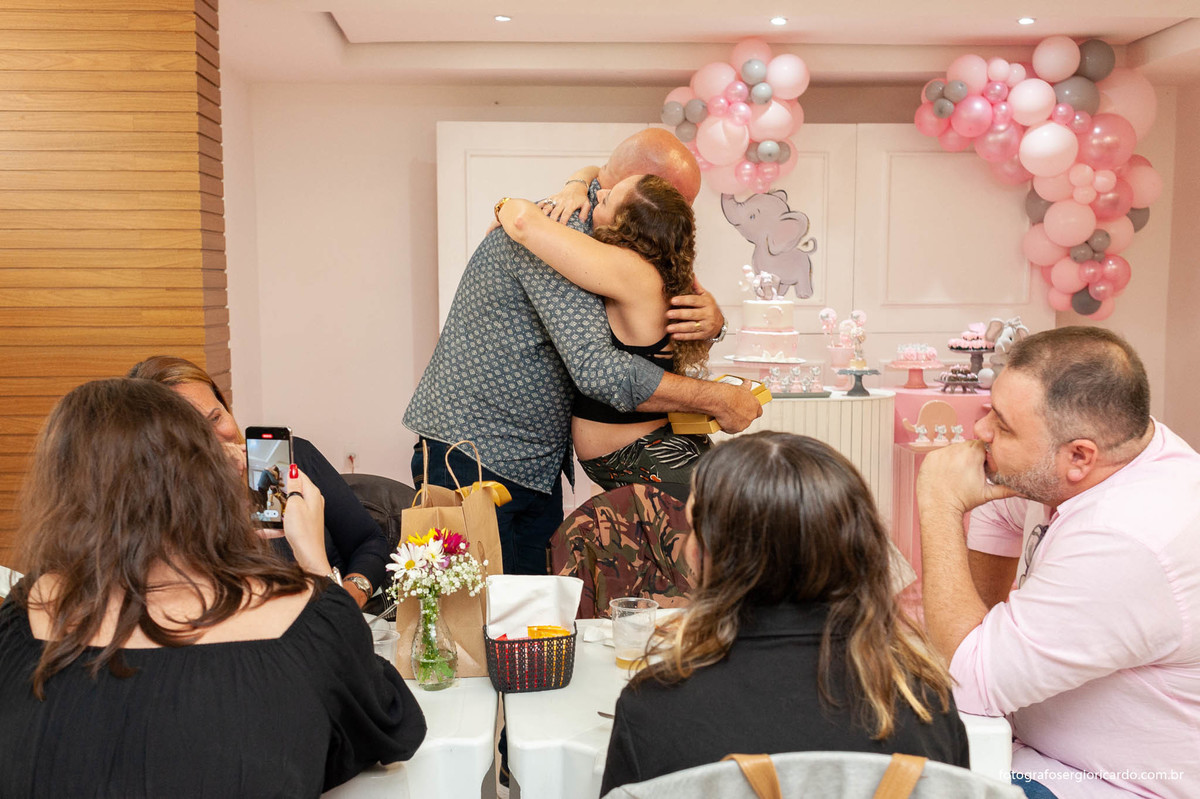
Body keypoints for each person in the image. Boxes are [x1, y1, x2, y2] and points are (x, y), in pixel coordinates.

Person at [0, 378, 425, 797]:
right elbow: (388, 725)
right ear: (194, 475)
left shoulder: (18, 619)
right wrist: (314, 567)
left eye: (217, 416)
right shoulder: (303, 625)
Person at [404, 128, 761, 576]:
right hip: (475, 452)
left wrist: (715, 321)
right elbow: (601, 371)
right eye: (670, 198)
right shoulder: (560, 234)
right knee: (483, 619)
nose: (674, 215)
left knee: (534, 617)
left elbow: (655, 316)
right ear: (633, 189)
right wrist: (716, 397)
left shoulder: (612, 239)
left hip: (529, 460)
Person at [916, 326, 1200, 799]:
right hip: (1036, 751)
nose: (980, 431)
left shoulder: (1128, 538)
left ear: (1079, 456)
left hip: (1105, 783)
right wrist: (978, 641)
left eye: (1003, 426)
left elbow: (966, 681)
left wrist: (938, 503)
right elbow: (998, 513)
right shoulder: (1108, 460)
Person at [600, 432, 969, 793]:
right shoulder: (925, 702)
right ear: (860, 547)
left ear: (711, 555)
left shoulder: (655, 707)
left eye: (694, 528)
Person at [497, 173, 710, 501]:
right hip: (653, 446)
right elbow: (595, 173)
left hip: (643, 454)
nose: (601, 192)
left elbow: (524, 222)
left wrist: (503, 206)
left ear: (624, 228)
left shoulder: (629, 268)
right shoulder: (662, 268)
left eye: (608, 200)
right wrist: (578, 182)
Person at [128, 356, 388, 608]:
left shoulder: (292, 461)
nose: (216, 439)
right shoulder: (155, 516)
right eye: (195, 434)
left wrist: (352, 595)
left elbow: (369, 542)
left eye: (216, 418)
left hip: (332, 625)